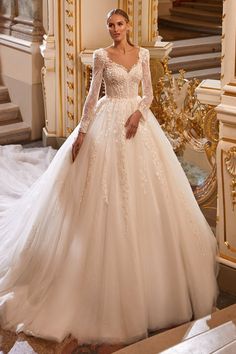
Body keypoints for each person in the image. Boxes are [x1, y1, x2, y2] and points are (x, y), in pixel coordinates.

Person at [0, 8, 218, 345]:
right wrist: (83, 133)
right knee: (104, 197)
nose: (116, 29)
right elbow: (92, 96)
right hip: (106, 121)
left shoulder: (143, 54)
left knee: (149, 195)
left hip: (136, 124)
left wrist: (137, 114)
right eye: (111, 25)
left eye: (120, 24)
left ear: (128, 25)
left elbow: (147, 92)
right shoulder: (102, 56)